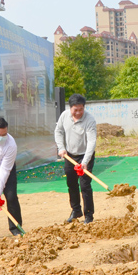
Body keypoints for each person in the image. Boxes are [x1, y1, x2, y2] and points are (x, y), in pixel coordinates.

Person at [55, 93, 98, 224]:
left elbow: (91, 142)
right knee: (71, 184)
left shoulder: (89, 120)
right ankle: (76, 210)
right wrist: (61, 148)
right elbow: (58, 131)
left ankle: (89, 215)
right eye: (75, 110)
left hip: (85, 156)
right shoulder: (64, 116)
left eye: (81, 109)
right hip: (69, 155)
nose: (78, 112)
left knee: (85, 185)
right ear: (70, 108)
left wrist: (85, 162)